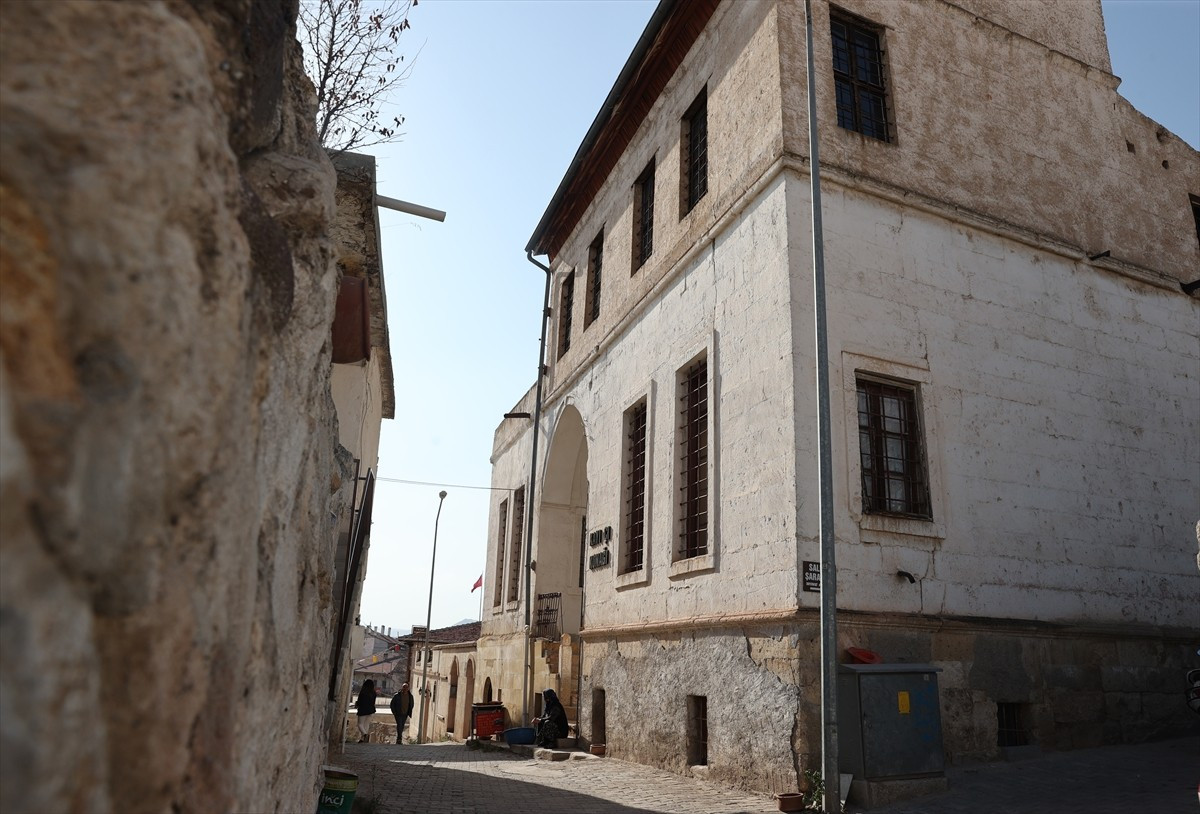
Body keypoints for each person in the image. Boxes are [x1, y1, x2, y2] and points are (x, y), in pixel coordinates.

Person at [354, 679, 377, 743]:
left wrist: (357, 705)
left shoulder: (363, 692)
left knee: (360, 724)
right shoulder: (374, 693)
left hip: (363, 710)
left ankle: (364, 734)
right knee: (366, 724)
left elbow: (360, 701)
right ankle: (363, 739)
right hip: (371, 710)